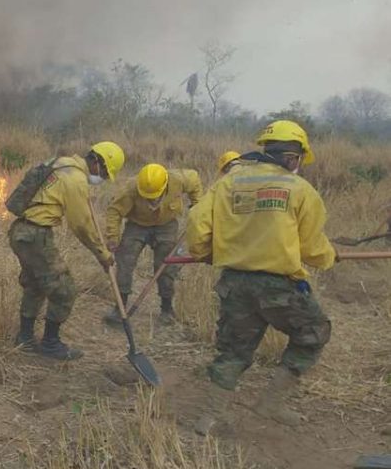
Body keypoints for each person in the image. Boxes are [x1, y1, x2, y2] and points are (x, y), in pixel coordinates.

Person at [186, 120, 336, 435]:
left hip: (235, 283)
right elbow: (312, 249)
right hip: (278, 286)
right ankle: (271, 402)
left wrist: (205, 252)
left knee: (234, 351)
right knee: (314, 331)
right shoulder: (301, 190)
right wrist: (329, 257)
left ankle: (208, 418)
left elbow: (197, 220)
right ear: (293, 158)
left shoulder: (228, 182)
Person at [9, 142, 124, 360]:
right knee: (65, 290)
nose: (104, 179)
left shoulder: (60, 162)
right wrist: (103, 254)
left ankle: (24, 338)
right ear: (97, 162)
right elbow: (81, 224)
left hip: (20, 232)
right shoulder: (75, 178)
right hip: (35, 236)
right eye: (106, 173)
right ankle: (51, 344)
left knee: (36, 284)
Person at [103, 163, 203, 326]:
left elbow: (196, 183)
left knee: (166, 265)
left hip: (166, 224)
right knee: (125, 262)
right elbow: (114, 211)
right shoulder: (131, 188)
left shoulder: (181, 179)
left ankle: (166, 308)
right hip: (137, 225)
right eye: (147, 196)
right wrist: (112, 237)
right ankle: (120, 307)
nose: (152, 199)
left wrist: (197, 206)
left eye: (155, 195)